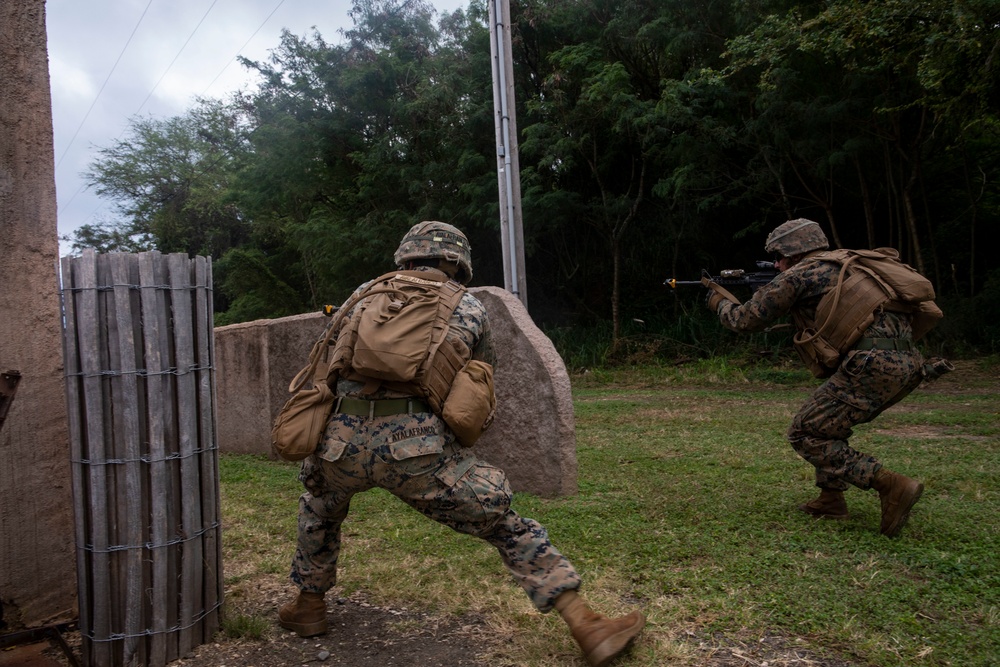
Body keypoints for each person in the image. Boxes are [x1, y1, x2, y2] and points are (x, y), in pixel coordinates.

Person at [278, 221, 645, 666]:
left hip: (341, 444)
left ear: (406, 256)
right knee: (503, 524)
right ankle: (585, 624)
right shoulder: (468, 307)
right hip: (418, 450)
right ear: (457, 264)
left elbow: (324, 365)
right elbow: (478, 384)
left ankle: (309, 607)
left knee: (320, 507)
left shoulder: (362, 295)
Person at [703, 218, 933, 538]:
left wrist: (718, 301)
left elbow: (745, 320)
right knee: (828, 426)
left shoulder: (801, 274)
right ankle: (831, 499)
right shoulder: (852, 265)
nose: (776, 263)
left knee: (806, 433)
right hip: (908, 362)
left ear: (792, 253)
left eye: (779, 256)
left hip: (871, 363)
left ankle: (891, 485)